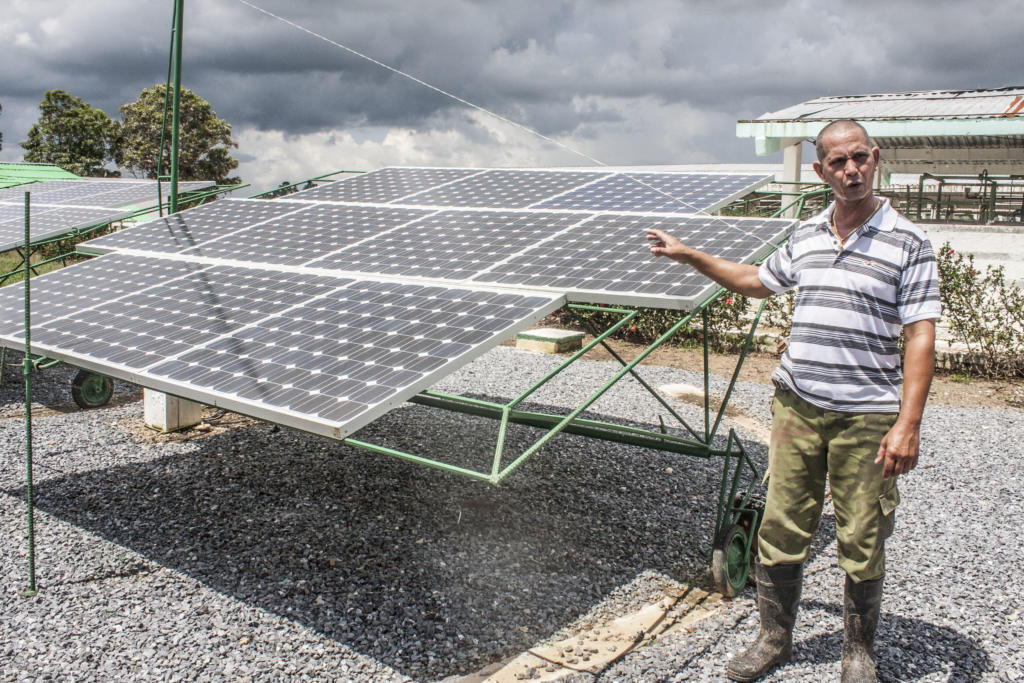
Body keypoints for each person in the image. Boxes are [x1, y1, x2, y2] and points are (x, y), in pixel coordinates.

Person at [647, 119, 940, 682]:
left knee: (862, 532)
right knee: (781, 528)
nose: (851, 170)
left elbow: (920, 334)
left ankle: (858, 653)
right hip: (798, 405)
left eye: (859, 157)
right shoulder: (806, 235)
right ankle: (774, 639)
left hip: (867, 415)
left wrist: (908, 422)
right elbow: (758, 280)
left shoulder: (908, 240)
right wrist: (690, 256)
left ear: (874, 158)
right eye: (838, 161)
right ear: (820, 170)